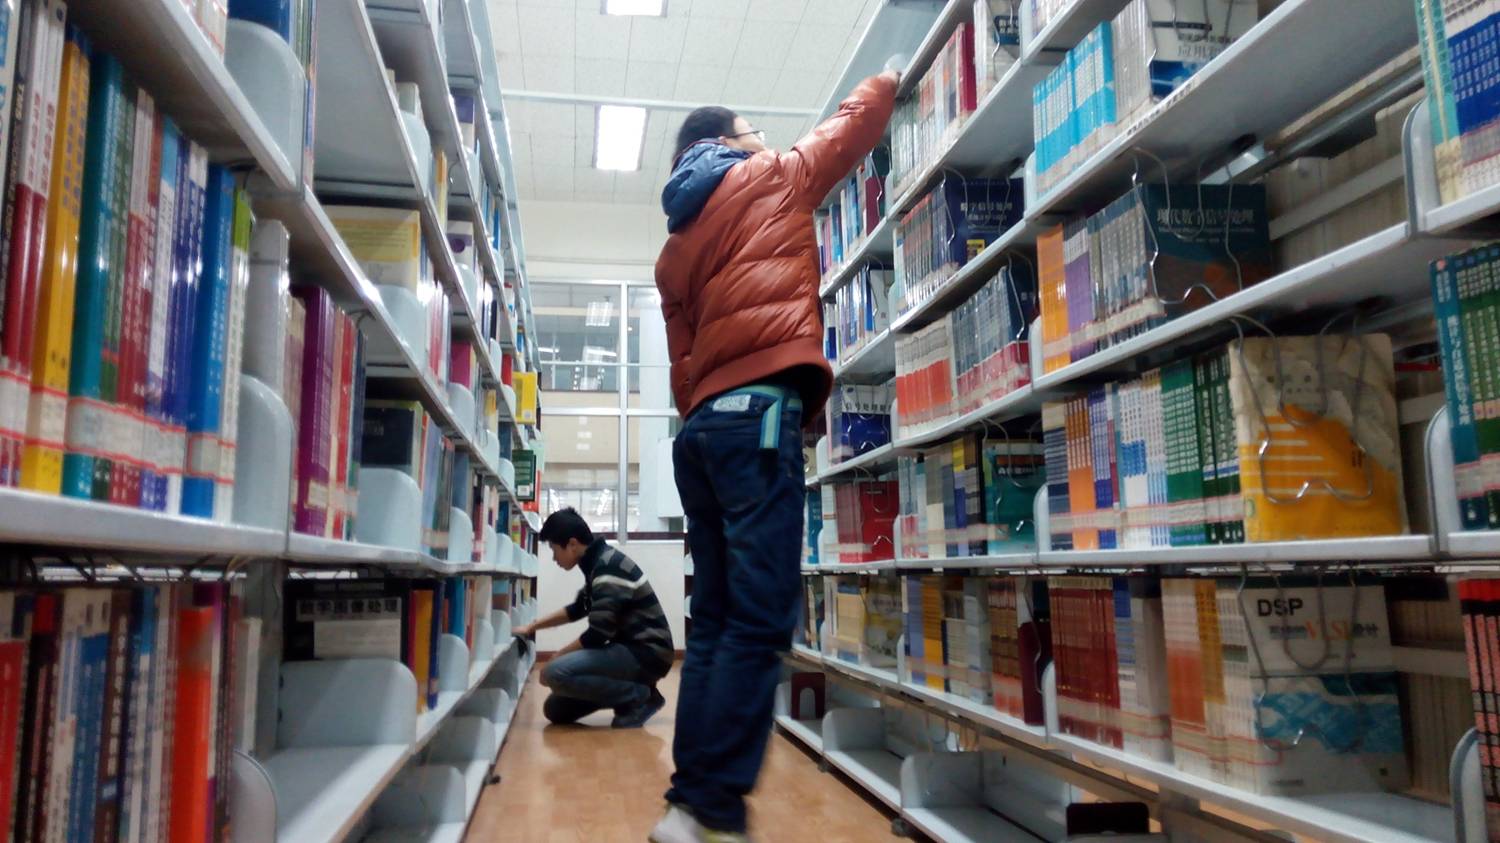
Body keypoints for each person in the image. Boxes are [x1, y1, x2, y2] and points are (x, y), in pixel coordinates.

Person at [649, 68, 899, 843]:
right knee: (760, 617)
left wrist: (714, 415)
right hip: (756, 420)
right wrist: (889, 77)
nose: (763, 140)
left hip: (701, 434)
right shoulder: (772, 176)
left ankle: (689, 800)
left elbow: (682, 366)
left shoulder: (673, 250)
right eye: (753, 131)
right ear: (729, 141)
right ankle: (711, 808)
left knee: (715, 619)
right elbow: (855, 128)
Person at [516, 508, 674, 729]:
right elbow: (577, 609)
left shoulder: (608, 567)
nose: (554, 558)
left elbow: (597, 634)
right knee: (555, 710)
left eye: (554, 549)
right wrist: (531, 627)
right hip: (627, 649)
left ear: (572, 544)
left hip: (647, 653)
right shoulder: (597, 563)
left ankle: (639, 696)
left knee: (555, 673)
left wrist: (556, 657)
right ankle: (633, 693)